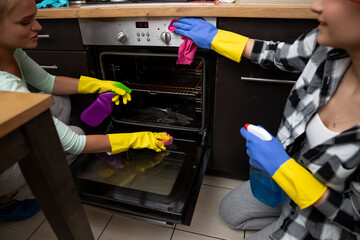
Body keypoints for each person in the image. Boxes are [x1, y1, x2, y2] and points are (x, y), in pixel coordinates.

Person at [173, 0, 360, 239]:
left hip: (325, 220)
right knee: (230, 211)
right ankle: (285, 216)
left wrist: (284, 168)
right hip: (287, 183)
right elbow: (279, 54)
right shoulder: (330, 44)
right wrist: (216, 37)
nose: (316, 5)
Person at [0, 0, 170, 221]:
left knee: (58, 100)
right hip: (3, 165)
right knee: (76, 136)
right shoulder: (4, 84)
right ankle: (11, 198)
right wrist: (136, 139)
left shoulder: (9, 51)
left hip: (6, 134)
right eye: (25, 22)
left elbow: (48, 82)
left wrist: (100, 84)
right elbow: (75, 144)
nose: (38, 27)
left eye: (34, 17)